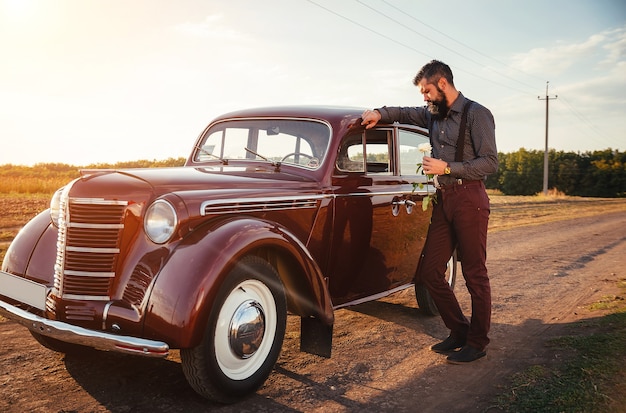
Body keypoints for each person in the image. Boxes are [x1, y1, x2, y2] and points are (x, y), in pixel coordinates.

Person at [361, 60, 498, 364]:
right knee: (429, 271)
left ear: (443, 85)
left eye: (426, 91)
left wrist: (447, 166)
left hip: (470, 199)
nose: (423, 97)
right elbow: (403, 112)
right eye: (421, 92)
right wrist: (378, 113)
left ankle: (478, 342)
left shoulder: (478, 114)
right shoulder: (431, 114)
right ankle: (459, 330)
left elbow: (490, 162)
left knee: (475, 274)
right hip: (443, 199)